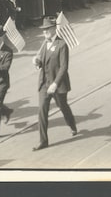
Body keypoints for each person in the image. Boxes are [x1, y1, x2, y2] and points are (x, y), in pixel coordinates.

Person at [32, 16, 78, 151]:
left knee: (63, 106)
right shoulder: (44, 44)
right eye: (43, 30)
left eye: (46, 29)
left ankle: (72, 125)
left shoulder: (62, 45)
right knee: (42, 110)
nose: (44, 32)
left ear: (53, 29)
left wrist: (55, 84)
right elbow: (42, 63)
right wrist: (36, 62)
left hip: (57, 84)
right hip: (44, 84)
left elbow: (64, 67)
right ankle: (43, 140)